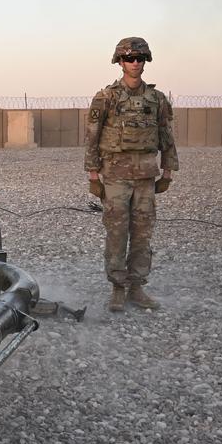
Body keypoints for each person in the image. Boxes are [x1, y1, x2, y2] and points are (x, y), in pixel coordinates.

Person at [84, 37, 179, 312]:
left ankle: (137, 287)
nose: (135, 63)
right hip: (115, 175)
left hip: (146, 176)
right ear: (120, 62)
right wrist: (93, 176)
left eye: (140, 58)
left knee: (142, 233)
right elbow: (92, 138)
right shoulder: (106, 98)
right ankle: (117, 288)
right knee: (116, 232)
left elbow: (166, 137)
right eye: (129, 58)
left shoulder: (157, 99)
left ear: (146, 61)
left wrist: (168, 172)